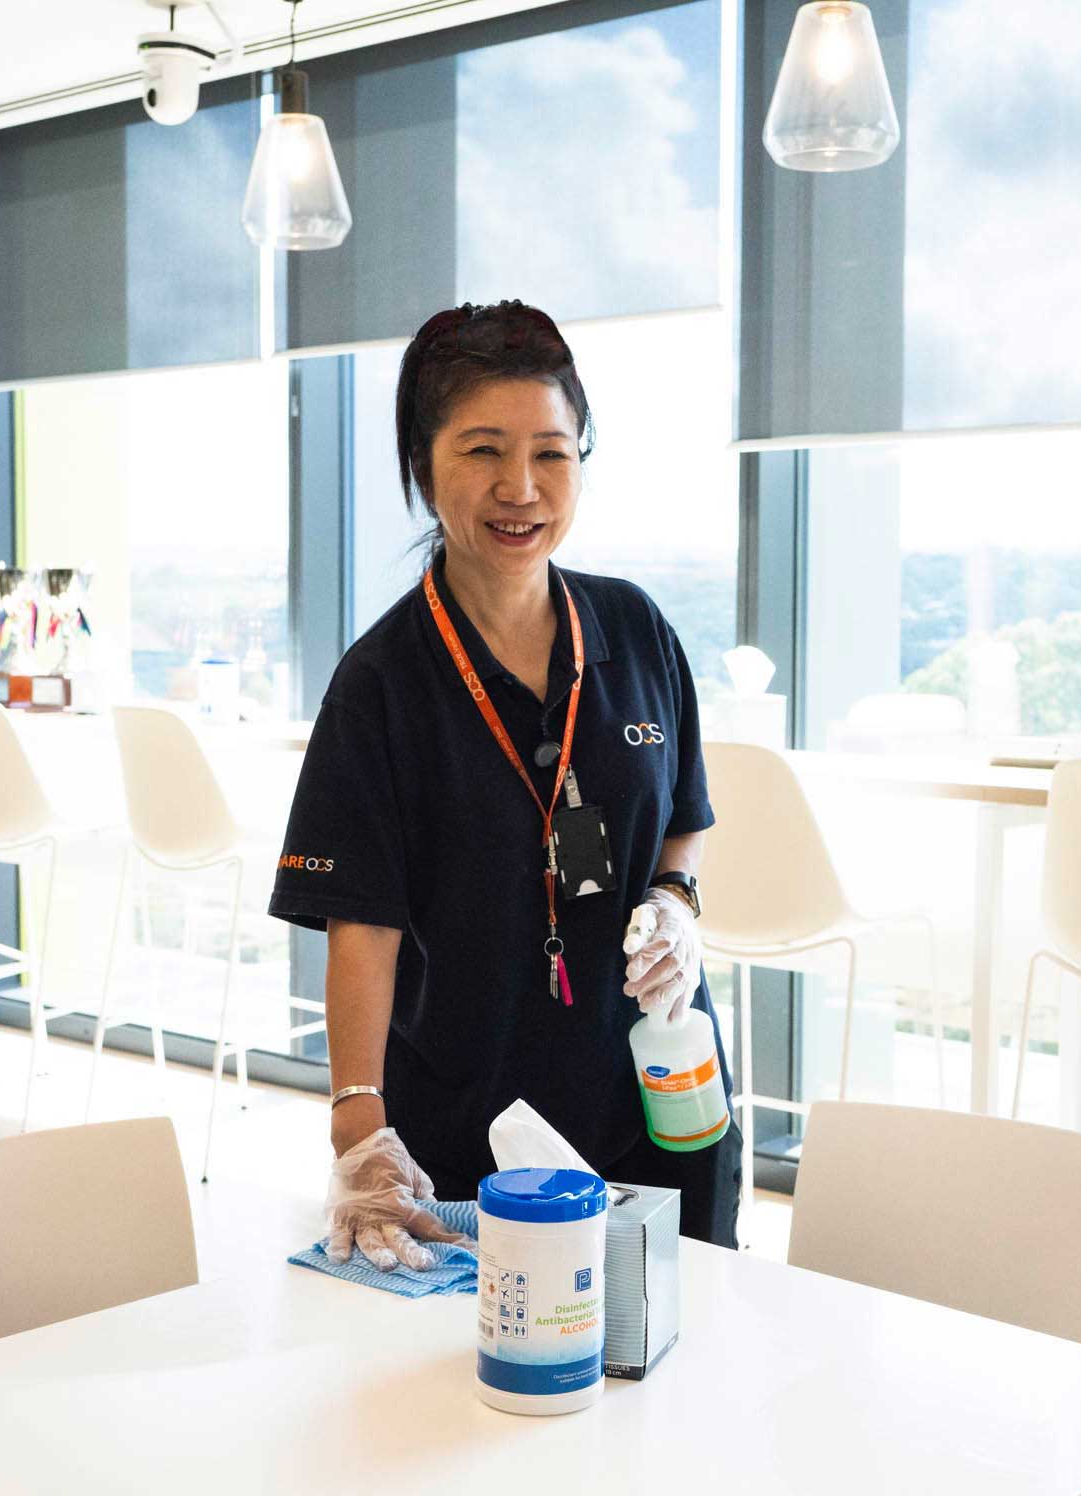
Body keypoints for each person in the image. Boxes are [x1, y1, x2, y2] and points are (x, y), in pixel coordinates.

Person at [269, 298, 741, 1272]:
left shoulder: (633, 630)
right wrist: (355, 1128)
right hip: (473, 1129)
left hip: (658, 1088)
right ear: (421, 464)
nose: (519, 487)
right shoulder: (382, 685)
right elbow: (363, 930)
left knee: (685, 1375)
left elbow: (679, 823)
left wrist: (673, 903)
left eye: (552, 453)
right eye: (481, 450)